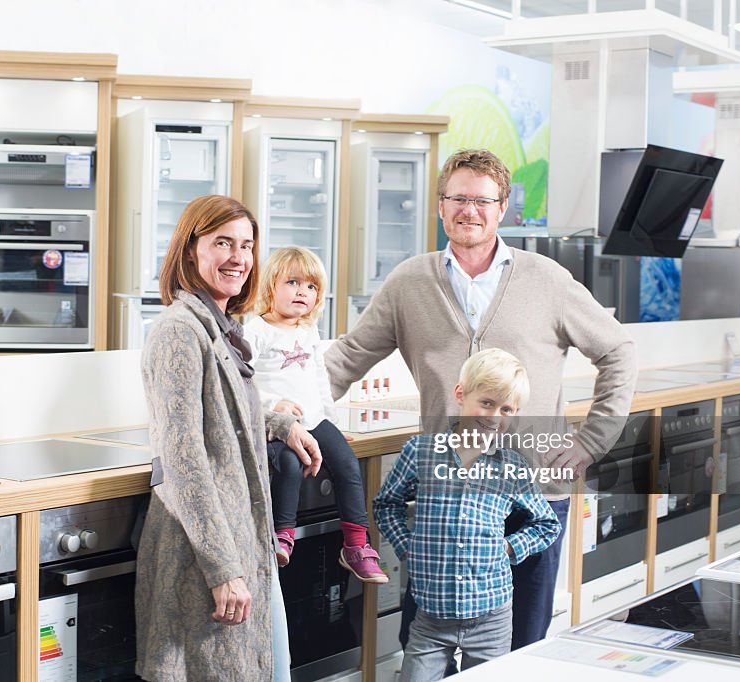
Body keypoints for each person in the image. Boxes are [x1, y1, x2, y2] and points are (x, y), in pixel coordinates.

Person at [324, 148, 637, 650]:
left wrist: (590, 443)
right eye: (457, 198)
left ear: (503, 207)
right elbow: (346, 358)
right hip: (447, 502)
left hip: (534, 494)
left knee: (522, 646)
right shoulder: (408, 283)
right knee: (427, 648)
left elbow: (618, 350)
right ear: (440, 205)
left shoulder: (546, 280)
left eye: (482, 200)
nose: (469, 210)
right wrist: (284, 410)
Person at [134, 195, 323, 682]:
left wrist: (280, 425)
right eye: (223, 243)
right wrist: (223, 569)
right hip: (208, 555)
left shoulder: (220, 327)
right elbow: (184, 460)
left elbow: (226, 414)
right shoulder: (179, 332)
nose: (239, 258)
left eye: (246, 245)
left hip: (243, 541)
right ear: (190, 250)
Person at [374, 349, 562, 680]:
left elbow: (547, 525)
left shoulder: (513, 466)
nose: (494, 416)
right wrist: (409, 548)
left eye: (506, 409)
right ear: (460, 394)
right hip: (431, 619)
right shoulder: (421, 452)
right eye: (486, 403)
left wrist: (509, 548)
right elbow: (386, 504)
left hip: (492, 619)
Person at [244, 246, 388, 583]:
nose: (302, 292)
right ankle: (283, 535)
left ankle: (356, 546)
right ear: (270, 287)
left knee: (349, 466)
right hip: (280, 427)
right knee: (289, 467)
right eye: (292, 282)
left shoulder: (308, 333)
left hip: (316, 421)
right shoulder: (257, 330)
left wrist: (333, 425)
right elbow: (241, 378)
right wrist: (274, 403)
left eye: (311, 287)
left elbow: (320, 380)